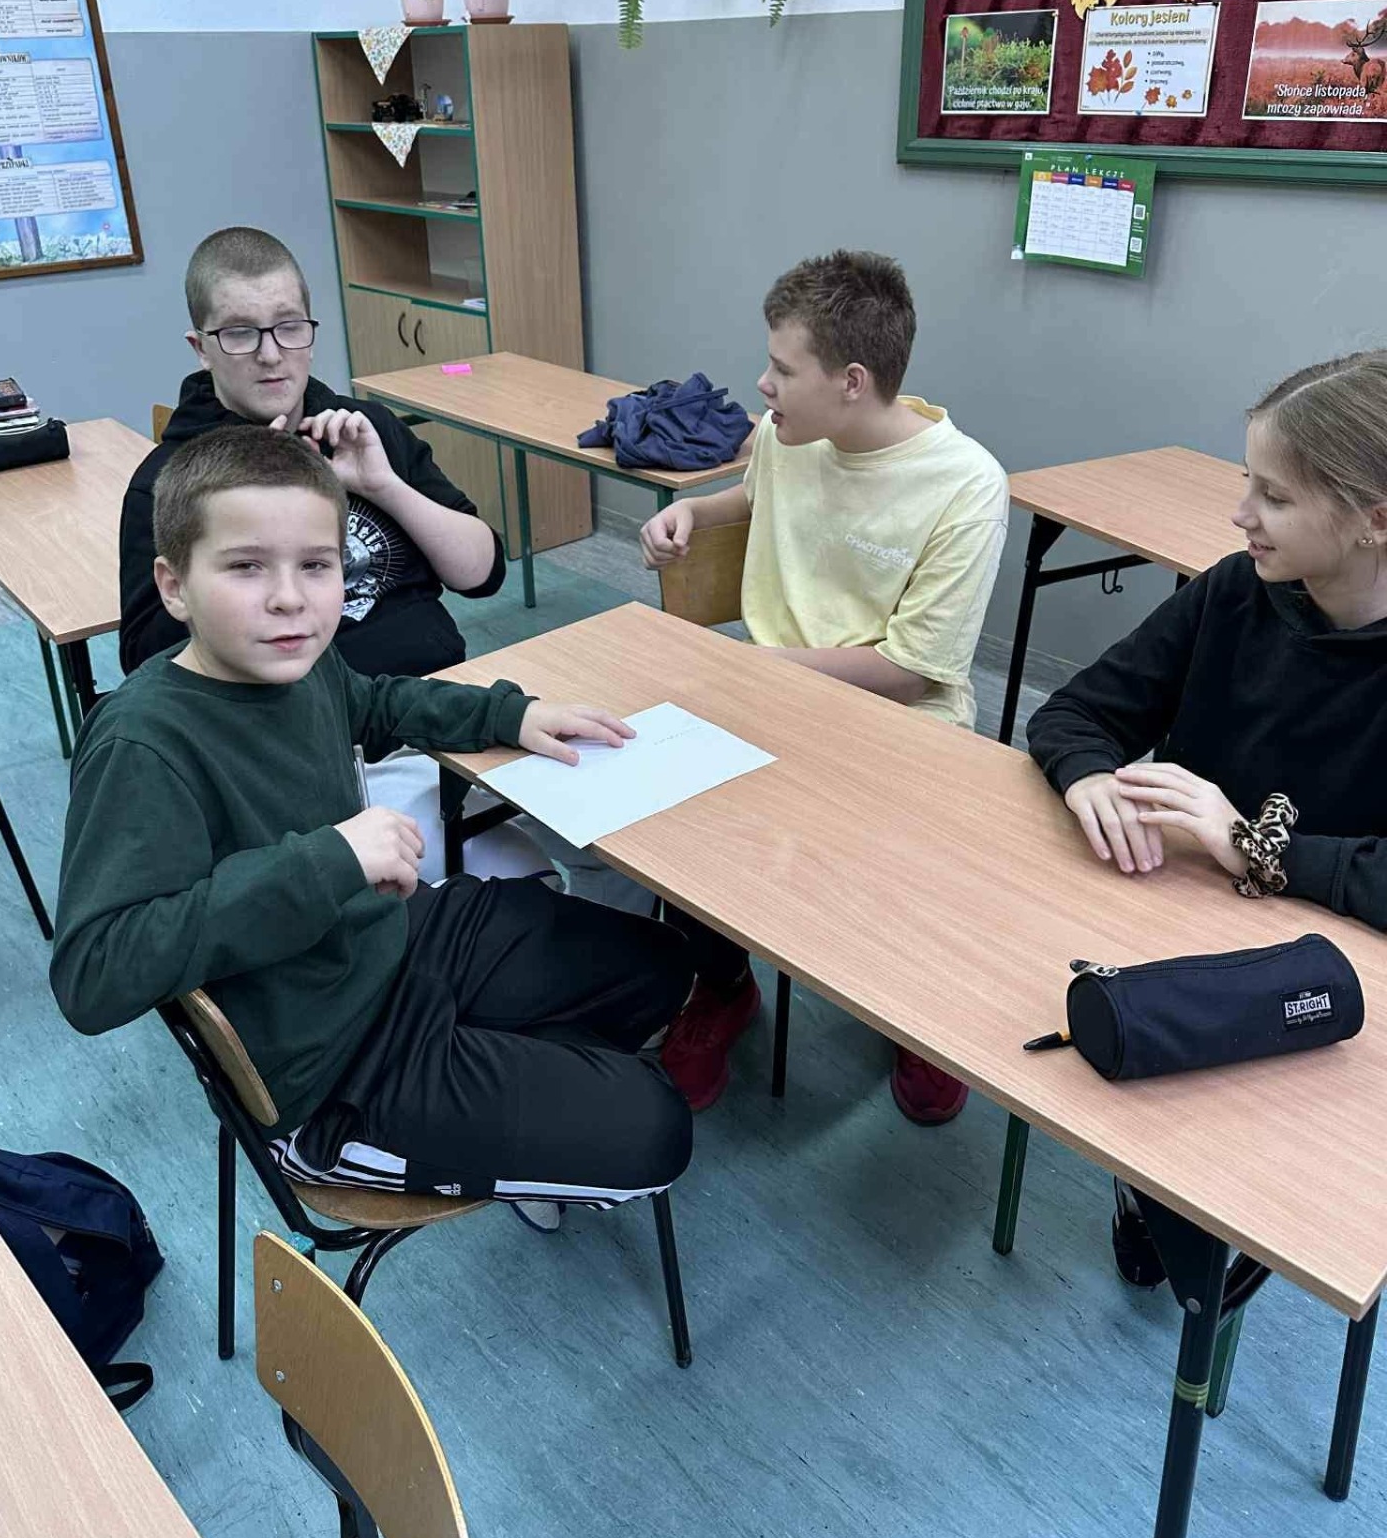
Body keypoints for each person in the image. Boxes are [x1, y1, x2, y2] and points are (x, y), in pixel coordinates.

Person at [53, 423, 709, 1215]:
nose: (290, 596)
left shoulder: (296, 661)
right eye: (246, 566)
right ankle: (379, 1140)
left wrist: (511, 714)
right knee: (656, 1133)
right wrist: (328, 861)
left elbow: (378, 701)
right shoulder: (142, 744)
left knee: (661, 962)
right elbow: (93, 975)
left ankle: (511, 1099)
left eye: (316, 565)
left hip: (393, 942)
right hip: (328, 1065)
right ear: (173, 586)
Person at [1027, 348, 1387, 1282]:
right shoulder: (1235, 591)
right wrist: (1088, 776)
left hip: (1332, 972)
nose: (1240, 515)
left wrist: (1248, 845)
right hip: (1177, 927)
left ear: (1374, 520)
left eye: (1275, 497)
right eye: (1245, 483)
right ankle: (1162, 1196)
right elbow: (1074, 714)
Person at [641, 250, 1009, 1121]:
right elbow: (756, 495)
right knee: (667, 827)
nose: (762, 384)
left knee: (892, 883)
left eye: (781, 367)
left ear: (851, 382)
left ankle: (922, 1012)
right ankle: (722, 985)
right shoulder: (787, 436)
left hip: (899, 723)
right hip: (772, 694)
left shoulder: (967, 486)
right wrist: (694, 509)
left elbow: (910, 670)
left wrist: (754, 672)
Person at [119, 226, 540, 881]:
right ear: (201, 347)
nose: (271, 355)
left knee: (611, 817)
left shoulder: (364, 430)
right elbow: (150, 660)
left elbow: (482, 572)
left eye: (289, 327)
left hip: (443, 705)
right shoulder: (174, 479)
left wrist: (383, 485)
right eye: (240, 333)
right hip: (318, 750)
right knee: (522, 875)